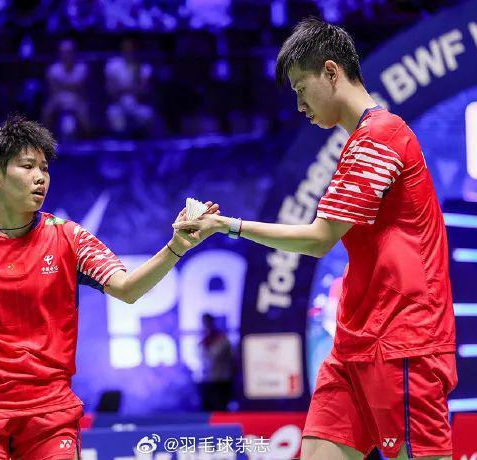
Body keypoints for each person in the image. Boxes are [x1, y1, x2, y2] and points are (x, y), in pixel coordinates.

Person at [174, 17, 457, 460]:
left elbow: (319, 239)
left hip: (401, 342)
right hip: (354, 344)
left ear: (330, 71)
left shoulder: (381, 137)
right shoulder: (358, 144)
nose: (300, 106)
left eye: (301, 89)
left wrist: (228, 225)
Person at [0, 115, 217, 459]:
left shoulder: (69, 237)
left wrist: (175, 247)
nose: (40, 177)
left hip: (49, 415)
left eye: (44, 168)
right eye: (27, 166)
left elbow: (127, 288)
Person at [42, 39, 91, 137]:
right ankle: (45, 138)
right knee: (47, 110)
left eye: (69, 52)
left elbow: (81, 87)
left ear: (74, 52)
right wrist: (72, 85)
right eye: (64, 52)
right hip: (57, 99)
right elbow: (53, 89)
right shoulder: (53, 69)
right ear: (59, 53)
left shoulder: (82, 68)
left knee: (85, 112)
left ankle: (88, 137)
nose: (67, 55)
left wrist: (62, 84)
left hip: (78, 99)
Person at [198, 313, 235, 411]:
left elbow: (214, 356)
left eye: (207, 322)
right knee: (207, 409)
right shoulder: (204, 340)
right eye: (203, 323)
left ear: (212, 322)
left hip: (221, 379)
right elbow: (202, 359)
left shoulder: (222, 339)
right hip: (208, 379)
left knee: (221, 407)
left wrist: (205, 347)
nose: (205, 325)